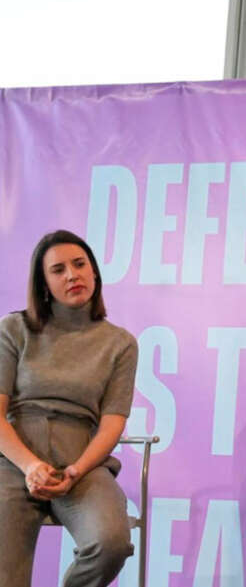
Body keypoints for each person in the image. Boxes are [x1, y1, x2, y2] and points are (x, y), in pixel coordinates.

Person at [0, 230, 137, 587]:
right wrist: (30, 466)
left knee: (112, 543)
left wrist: (76, 470)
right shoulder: (14, 329)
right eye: (58, 270)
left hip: (82, 461)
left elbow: (112, 422)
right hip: (14, 459)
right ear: (43, 283)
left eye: (79, 265)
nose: (72, 275)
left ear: (94, 272)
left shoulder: (120, 343)